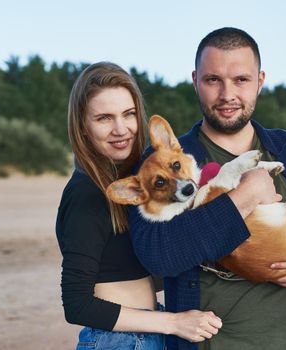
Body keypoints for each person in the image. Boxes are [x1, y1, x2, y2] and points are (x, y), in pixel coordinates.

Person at [128, 28, 286, 350]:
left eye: (241, 80)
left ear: (260, 81)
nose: (227, 95)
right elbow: (158, 255)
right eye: (213, 80)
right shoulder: (164, 164)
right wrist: (242, 198)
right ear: (195, 80)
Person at [55, 62, 223, 350]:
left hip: (140, 334)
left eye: (129, 114)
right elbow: (77, 304)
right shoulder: (86, 193)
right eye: (104, 118)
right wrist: (173, 322)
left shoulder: (136, 185)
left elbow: (140, 270)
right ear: (83, 126)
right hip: (120, 341)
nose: (121, 129)